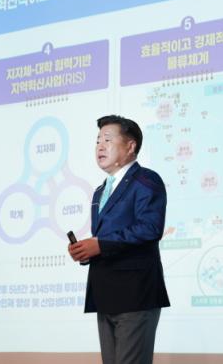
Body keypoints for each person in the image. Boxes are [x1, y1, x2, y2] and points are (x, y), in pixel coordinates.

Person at [68, 115, 170, 364]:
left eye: (107, 139)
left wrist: (99, 245)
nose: (100, 146)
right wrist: (85, 251)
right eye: (97, 141)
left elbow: (150, 228)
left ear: (130, 146)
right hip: (105, 295)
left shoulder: (146, 180)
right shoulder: (100, 191)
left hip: (135, 294)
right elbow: (106, 239)